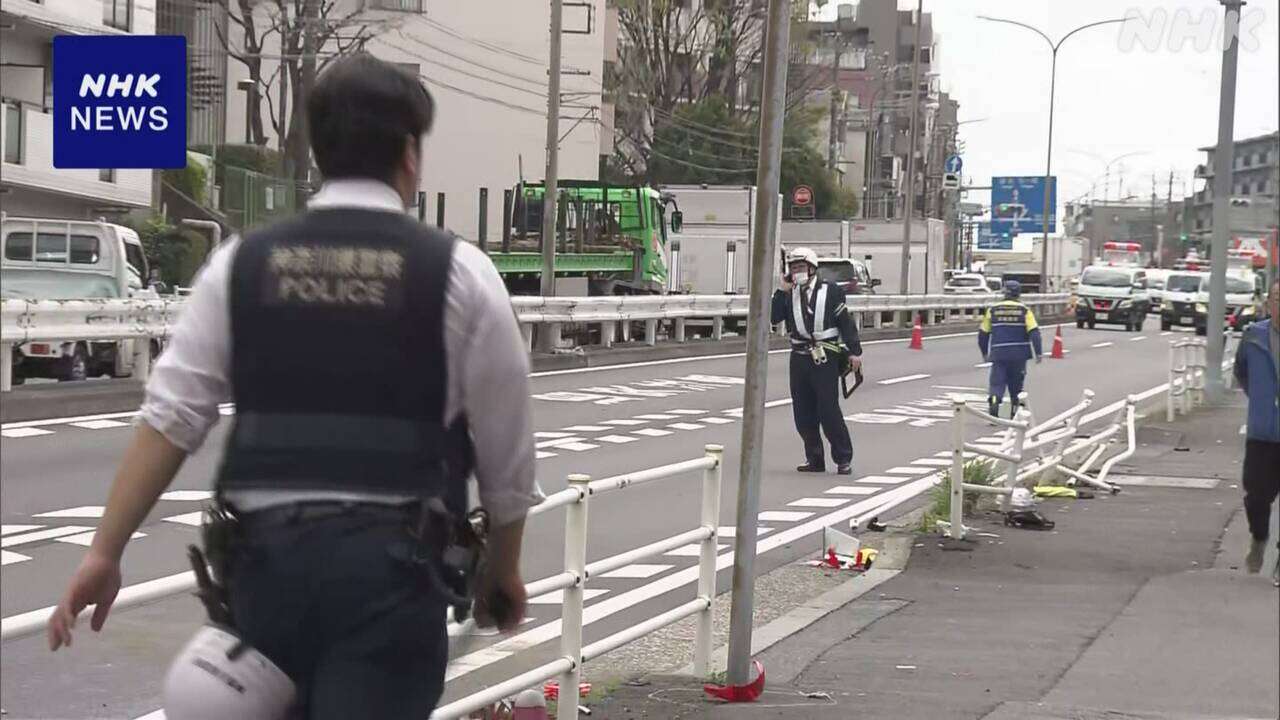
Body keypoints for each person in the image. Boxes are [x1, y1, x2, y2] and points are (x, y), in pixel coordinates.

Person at [46, 54, 536, 719]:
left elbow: (171, 418)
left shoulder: (242, 263)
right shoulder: (459, 273)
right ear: (410, 155)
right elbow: (508, 455)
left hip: (263, 573)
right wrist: (501, 572)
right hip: (390, 579)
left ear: (318, 148)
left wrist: (105, 552)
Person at [771, 247, 863, 475]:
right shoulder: (789, 293)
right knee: (803, 411)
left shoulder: (830, 291)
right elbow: (774, 317)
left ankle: (843, 458)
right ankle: (815, 459)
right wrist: (780, 291)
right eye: (793, 268)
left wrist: (854, 351)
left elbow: (845, 322)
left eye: (801, 267)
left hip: (826, 355)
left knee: (828, 409)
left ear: (812, 269)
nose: (797, 272)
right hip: (799, 357)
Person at [1232, 278, 1278, 578]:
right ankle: (1259, 538)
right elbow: (1242, 374)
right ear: (1270, 303)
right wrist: (1262, 401)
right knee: (1257, 496)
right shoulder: (1253, 337)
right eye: (1277, 297)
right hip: (1263, 433)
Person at [978, 280, 1043, 418]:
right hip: (1019, 354)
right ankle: (1014, 410)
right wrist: (1038, 352)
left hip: (998, 353)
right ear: (1018, 294)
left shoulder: (993, 310)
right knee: (1016, 384)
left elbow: (983, 333)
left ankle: (995, 401)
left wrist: (984, 352)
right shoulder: (1025, 311)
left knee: (997, 382)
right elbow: (1034, 332)